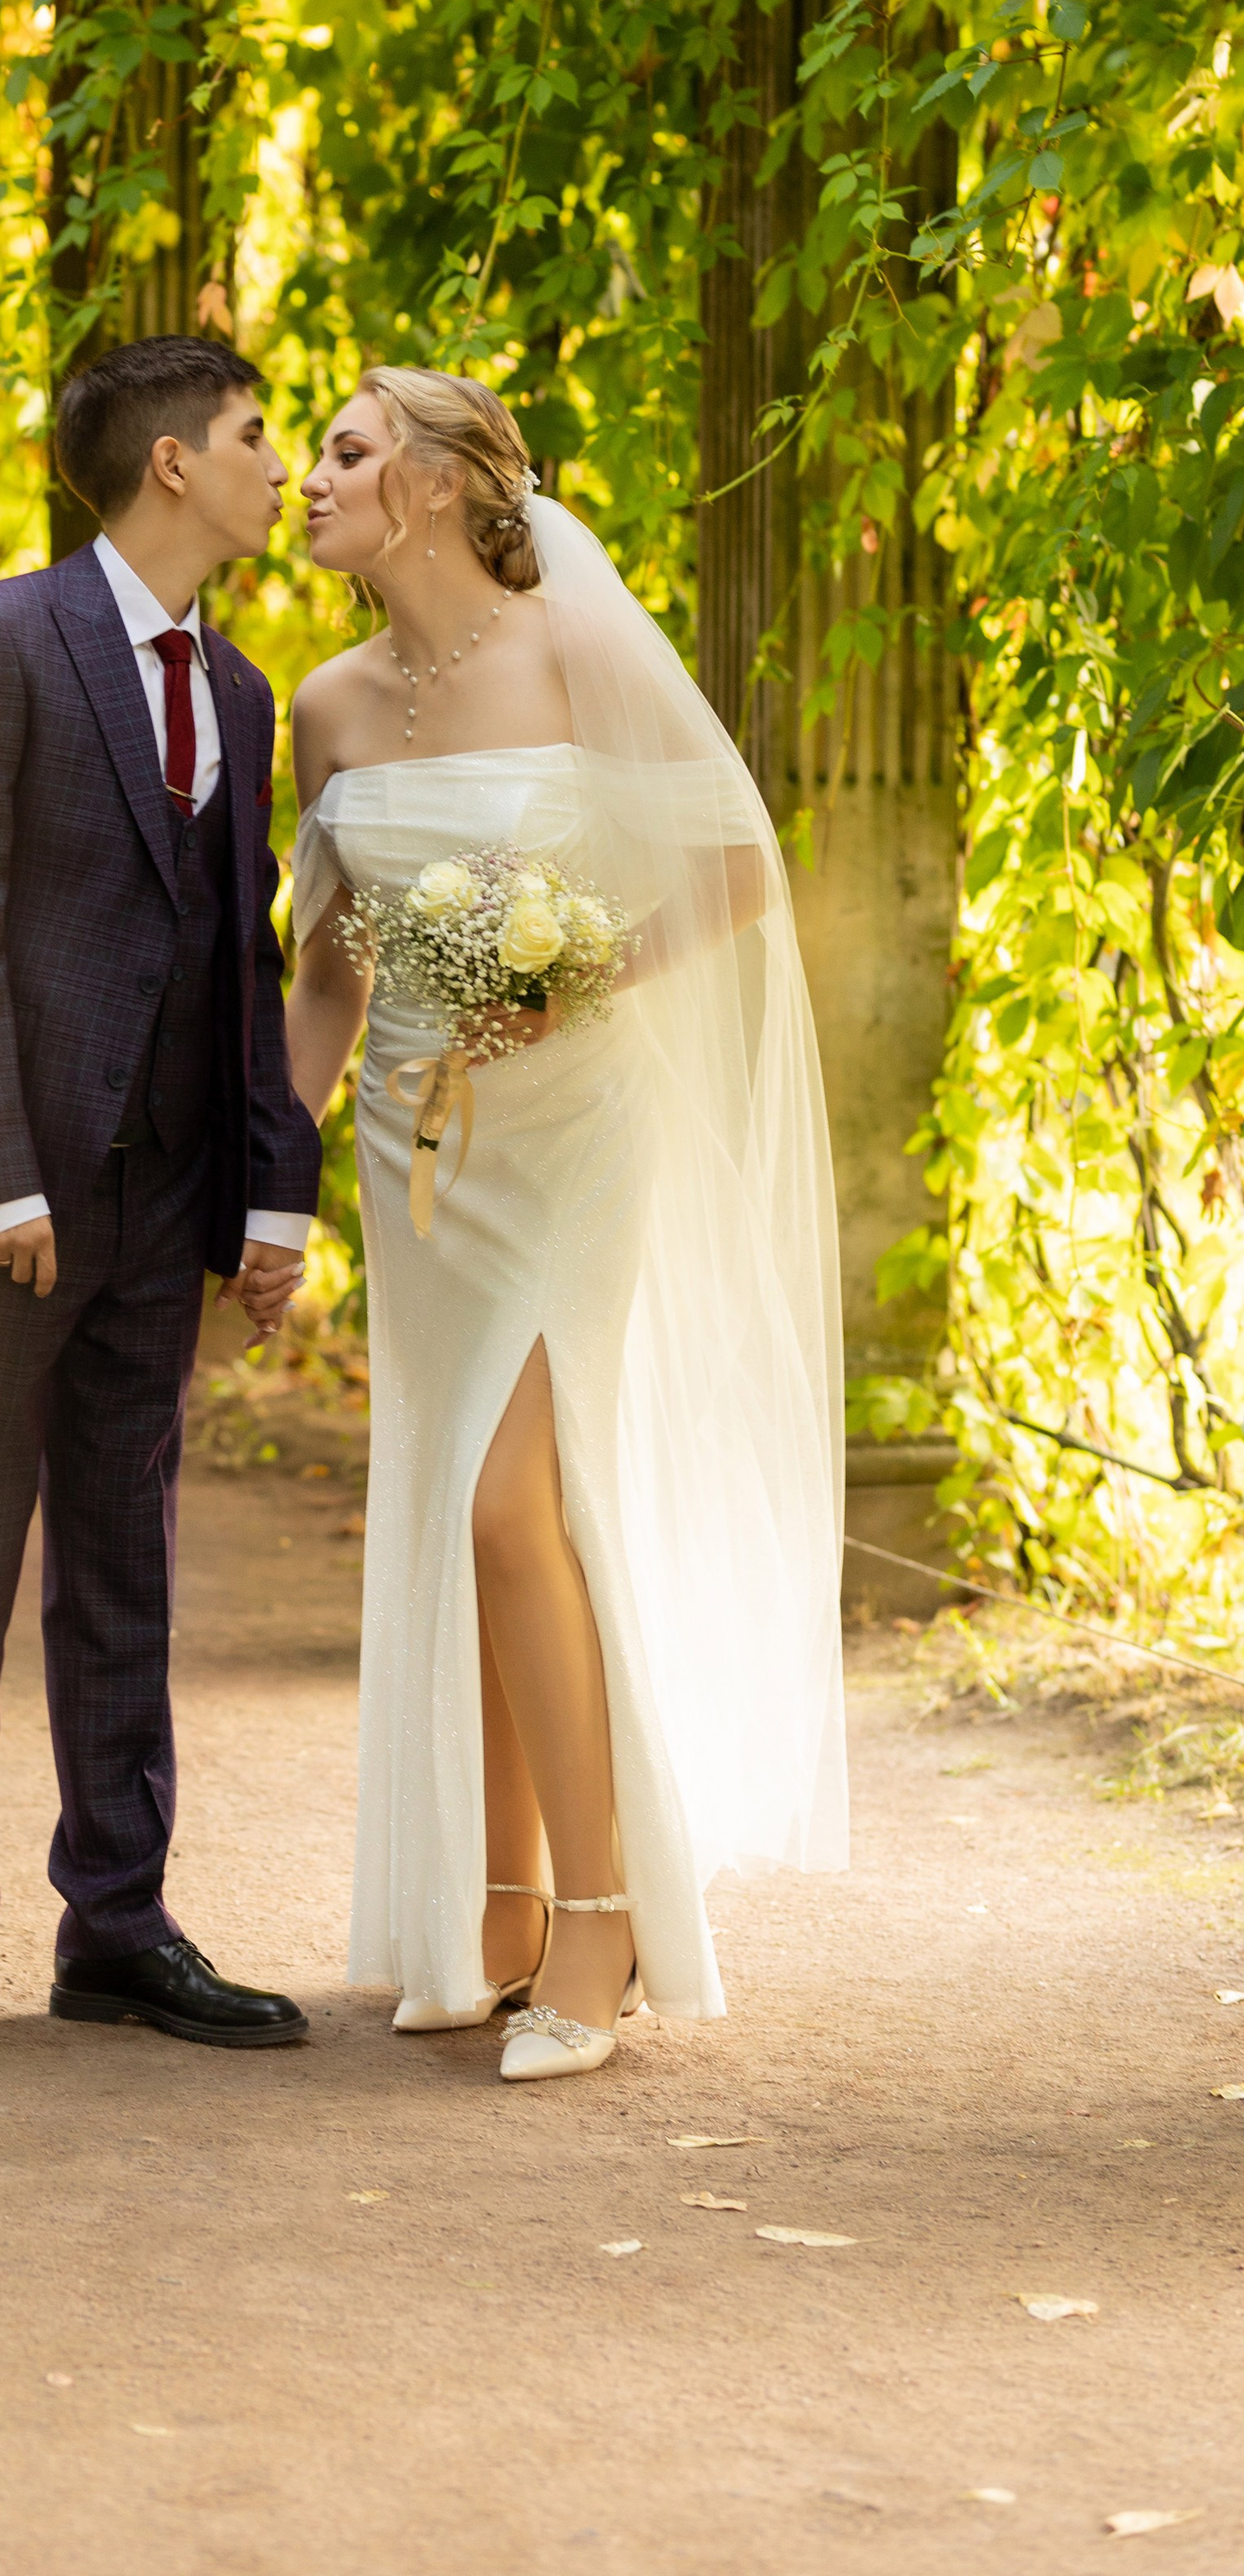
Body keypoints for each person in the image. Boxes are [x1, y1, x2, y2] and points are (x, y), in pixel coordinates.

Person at [283, 367, 845, 2083]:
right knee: (456, 1509)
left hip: (571, 1123)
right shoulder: (323, 703)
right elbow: (321, 965)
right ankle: (498, 1911)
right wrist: (255, 1188)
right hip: (412, 1145)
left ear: (440, 487)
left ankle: (599, 1934)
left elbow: (734, 863)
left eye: (344, 450)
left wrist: (574, 969)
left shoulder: (572, 651)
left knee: (517, 1502)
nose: (311, 480)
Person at [0, 335, 324, 2060]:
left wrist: (274, 1196)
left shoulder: (244, 689)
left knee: (125, 1572)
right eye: (261, 436)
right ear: (173, 465)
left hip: (160, 1204)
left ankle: (115, 1928)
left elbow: (243, 961)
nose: (282, 466)